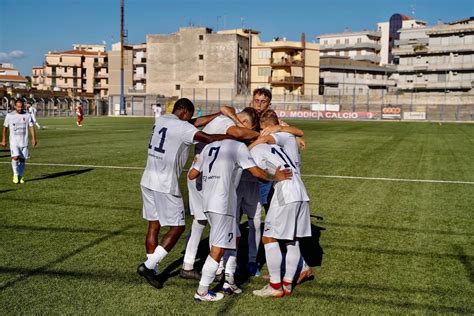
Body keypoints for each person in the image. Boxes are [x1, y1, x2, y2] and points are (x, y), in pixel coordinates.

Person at [137, 98, 237, 290]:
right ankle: (149, 267)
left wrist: (218, 114)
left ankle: (154, 271)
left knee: (153, 224)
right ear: (184, 113)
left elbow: (193, 124)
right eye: (189, 116)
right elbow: (207, 138)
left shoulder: (163, 120)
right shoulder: (183, 128)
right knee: (178, 227)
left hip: (147, 179)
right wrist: (231, 137)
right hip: (165, 184)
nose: (191, 119)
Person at [188, 139, 292, 301]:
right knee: (218, 248)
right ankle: (202, 291)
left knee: (235, 237)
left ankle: (229, 282)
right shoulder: (238, 146)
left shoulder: (209, 147)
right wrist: (275, 176)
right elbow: (257, 173)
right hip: (223, 204)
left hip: (208, 202)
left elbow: (192, 175)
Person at [180, 107, 260, 281]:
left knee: (200, 221)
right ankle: (217, 269)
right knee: (217, 223)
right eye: (249, 128)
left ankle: (188, 264)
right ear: (245, 123)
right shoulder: (228, 123)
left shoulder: (222, 119)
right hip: (208, 176)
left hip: (199, 172)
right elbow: (240, 132)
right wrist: (259, 135)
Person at [250, 109, 313, 283]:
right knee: (290, 237)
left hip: (286, 185)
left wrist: (247, 148)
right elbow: (297, 133)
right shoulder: (285, 135)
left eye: (263, 128)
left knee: (271, 235)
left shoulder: (280, 136)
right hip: (296, 187)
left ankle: (278, 282)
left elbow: (265, 139)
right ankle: (286, 279)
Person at [1, 99, 37, 184]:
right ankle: (15, 174)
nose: (20, 108)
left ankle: (20, 176)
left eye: (21, 107)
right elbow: (5, 128)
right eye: (18, 107)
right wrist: (3, 139)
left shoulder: (27, 115)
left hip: (24, 141)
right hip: (14, 141)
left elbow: (31, 127)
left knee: (22, 160)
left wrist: (34, 138)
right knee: (15, 157)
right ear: (14, 106)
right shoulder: (9, 115)